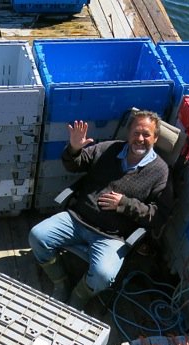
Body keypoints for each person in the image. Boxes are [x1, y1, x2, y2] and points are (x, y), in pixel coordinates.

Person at [29, 110, 173, 309]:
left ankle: (79, 296)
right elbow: (74, 164)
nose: (140, 138)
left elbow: (160, 215)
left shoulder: (160, 171)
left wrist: (124, 204)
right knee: (37, 236)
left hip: (112, 236)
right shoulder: (110, 148)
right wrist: (74, 148)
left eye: (146, 134)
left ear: (155, 138)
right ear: (128, 134)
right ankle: (61, 283)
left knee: (103, 277)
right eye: (136, 133)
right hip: (77, 219)